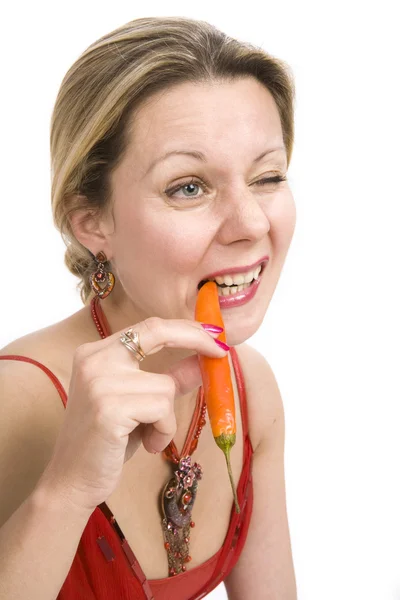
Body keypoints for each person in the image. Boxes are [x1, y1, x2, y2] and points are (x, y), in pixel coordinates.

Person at [0, 15, 297, 600]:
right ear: (91, 222)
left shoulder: (251, 387)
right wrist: (67, 489)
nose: (251, 224)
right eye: (188, 186)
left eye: (267, 177)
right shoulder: (15, 403)